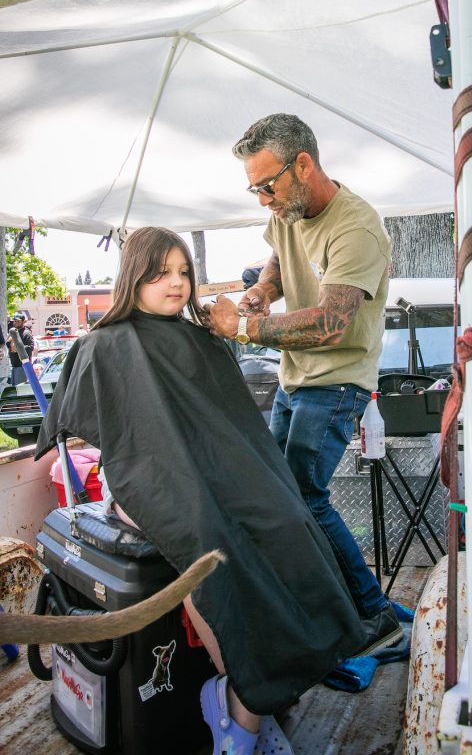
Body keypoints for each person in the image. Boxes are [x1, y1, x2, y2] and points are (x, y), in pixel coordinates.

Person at [35, 227, 367, 755]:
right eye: (161, 272)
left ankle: (265, 688)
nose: (177, 283)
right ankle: (244, 715)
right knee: (213, 548)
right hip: (152, 484)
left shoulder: (203, 340)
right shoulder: (104, 345)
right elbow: (107, 435)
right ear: (133, 276)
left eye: (184, 272)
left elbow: (228, 430)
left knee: (287, 521)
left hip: (215, 472)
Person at [208, 113, 402, 653]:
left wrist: (244, 326)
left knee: (306, 496)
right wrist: (262, 293)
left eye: (267, 185)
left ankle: (374, 614)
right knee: (279, 489)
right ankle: (328, 596)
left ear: (303, 164)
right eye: (254, 188)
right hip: (297, 378)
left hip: (338, 381)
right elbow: (276, 258)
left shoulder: (356, 228)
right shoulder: (287, 210)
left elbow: (328, 323)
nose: (262, 200)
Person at [8, 312, 34, 386]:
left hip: (23, 366)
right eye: (15, 321)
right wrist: (9, 343)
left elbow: (30, 347)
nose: (15, 323)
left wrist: (18, 348)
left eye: (18, 321)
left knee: (21, 389)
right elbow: (8, 345)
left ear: (23, 322)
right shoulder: (13, 332)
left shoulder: (26, 333)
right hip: (14, 365)